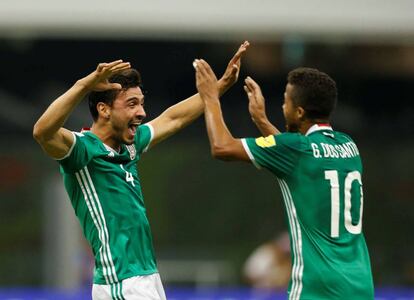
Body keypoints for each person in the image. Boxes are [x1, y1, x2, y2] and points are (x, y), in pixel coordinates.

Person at [33, 41, 249, 300]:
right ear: (103, 109)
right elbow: (42, 132)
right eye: (132, 104)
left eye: (142, 104)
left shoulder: (130, 144)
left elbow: (173, 118)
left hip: (146, 276)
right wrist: (84, 86)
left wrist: (220, 87)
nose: (142, 112)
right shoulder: (82, 150)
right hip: (121, 280)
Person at [194, 59, 374, 299]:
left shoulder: (296, 149)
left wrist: (210, 98)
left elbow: (222, 147)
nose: (282, 107)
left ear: (299, 112)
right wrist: (262, 121)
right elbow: (297, 161)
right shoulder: (348, 146)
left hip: (318, 287)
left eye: (286, 101)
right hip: (360, 284)